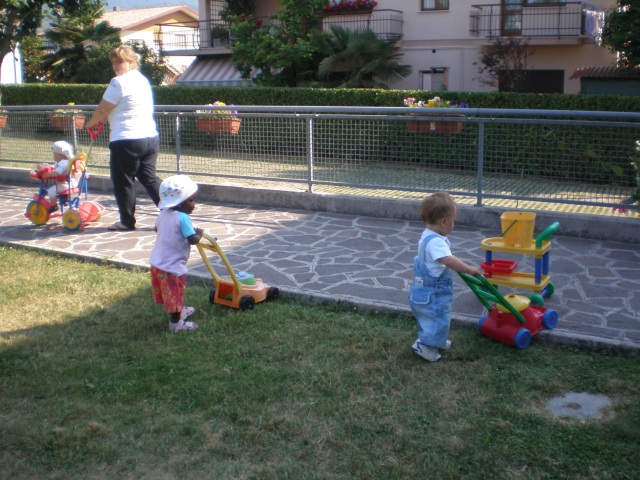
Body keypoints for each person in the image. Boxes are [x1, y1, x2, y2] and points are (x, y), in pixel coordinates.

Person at [85, 44, 162, 231]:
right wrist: (106, 118)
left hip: (126, 139)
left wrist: (90, 123)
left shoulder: (118, 82)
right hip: (149, 137)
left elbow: (103, 108)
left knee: (123, 181)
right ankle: (176, 212)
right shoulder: (142, 80)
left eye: (119, 61)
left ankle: (127, 221)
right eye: (113, 62)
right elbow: (125, 106)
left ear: (131, 62)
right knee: (150, 178)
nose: (115, 66)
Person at [409, 192, 482, 362]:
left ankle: (436, 340)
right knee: (438, 318)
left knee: (432, 319)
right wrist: (468, 269)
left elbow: (444, 258)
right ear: (443, 221)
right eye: (453, 220)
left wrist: (456, 259)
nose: (453, 224)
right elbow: (447, 261)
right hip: (434, 292)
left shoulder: (428, 235)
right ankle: (424, 346)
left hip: (423, 290)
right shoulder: (437, 242)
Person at [149, 175, 203, 332]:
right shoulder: (183, 218)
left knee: (171, 294)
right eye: (191, 201)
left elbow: (157, 229)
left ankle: (180, 312)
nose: (194, 205)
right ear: (179, 203)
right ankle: (176, 324)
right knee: (176, 294)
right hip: (172, 267)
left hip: (157, 264)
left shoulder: (163, 213)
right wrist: (199, 233)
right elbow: (192, 239)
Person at [30, 141, 76, 213]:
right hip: (65, 183)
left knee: (51, 191)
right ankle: (64, 199)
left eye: (54, 154)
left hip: (65, 185)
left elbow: (57, 173)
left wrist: (47, 174)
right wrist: (47, 167)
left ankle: (54, 206)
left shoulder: (63, 163)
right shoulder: (61, 162)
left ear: (60, 155)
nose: (53, 156)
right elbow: (55, 167)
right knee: (54, 187)